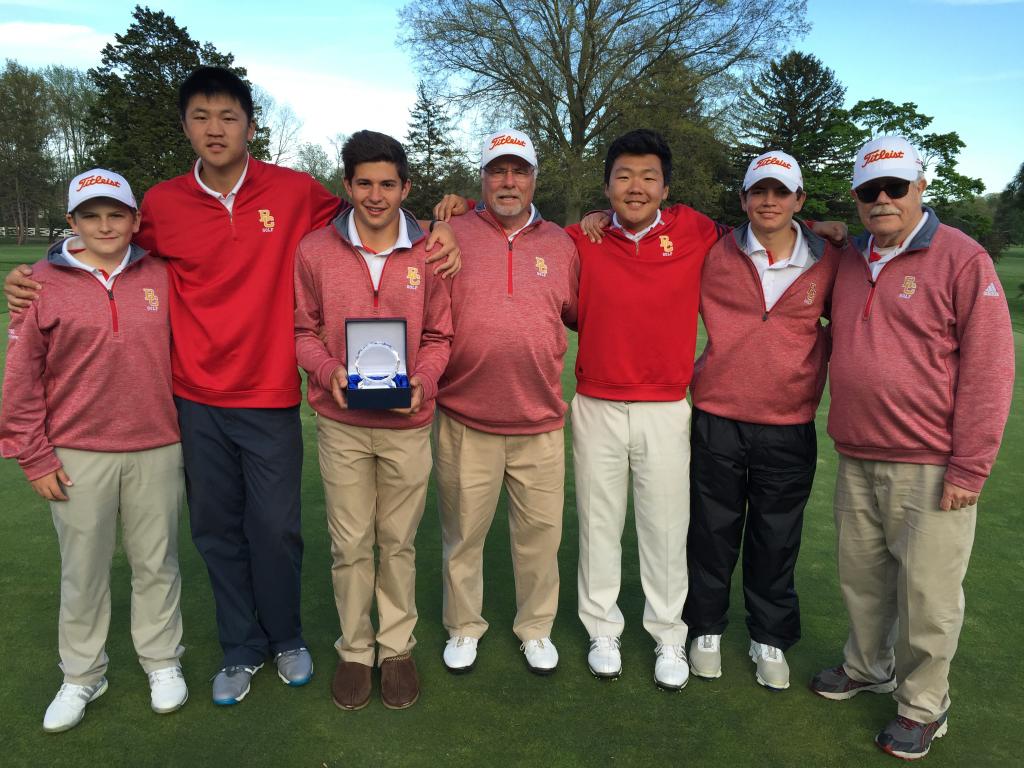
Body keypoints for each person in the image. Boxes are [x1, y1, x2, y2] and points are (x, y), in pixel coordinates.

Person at [3, 66, 461, 706]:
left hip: (271, 394)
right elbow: (107, 238)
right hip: (194, 398)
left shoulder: (295, 191)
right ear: (186, 125)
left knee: (275, 528)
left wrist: (445, 222)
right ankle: (241, 647)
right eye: (200, 117)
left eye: (228, 117)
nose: (214, 129)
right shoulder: (162, 203)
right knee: (217, 530)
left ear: (251, 124)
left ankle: (288, 638)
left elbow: (377, 212)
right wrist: (48, 259)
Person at [810, 136, 1014, 760]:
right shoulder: (848, 257)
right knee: (864, 580)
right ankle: (868, 666)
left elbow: (989, 368)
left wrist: (970, 466)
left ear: (919, 188)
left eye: (894, 187)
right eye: (870, 190)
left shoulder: (962, 257)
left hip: (930, 462)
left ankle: (925, 704)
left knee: (927, 595)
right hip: (857, 452)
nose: (883, 200)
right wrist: (824, 231)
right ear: (857, 197)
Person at [0, 169, 187, 731]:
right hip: (78, 451)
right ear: (72, 222)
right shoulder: (38, 282)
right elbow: (22, 378)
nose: (104, 226)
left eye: (116, 215)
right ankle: (83, 674)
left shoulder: (162, 274)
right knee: (84, 570)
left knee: (157, 562)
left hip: (158, 444)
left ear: (134, 220)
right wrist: (32, 455)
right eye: (91, 216)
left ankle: (161, 661)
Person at [564, 129, 728, 690]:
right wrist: (458, 211)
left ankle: (667, 636)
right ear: (607, 185)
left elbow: (765, 234)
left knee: (664, 527)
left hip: (665, 406)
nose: (636, 187)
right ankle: (602, 628)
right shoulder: (579, 238)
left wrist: (823, 230)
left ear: (666, 188)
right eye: (624, 176)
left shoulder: (698, 231)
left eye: (648, 177)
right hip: (596, 404)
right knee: (598, 522)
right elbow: (516, 232)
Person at [294, 130, 452, 710]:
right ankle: (356, 650)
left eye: (388, 183)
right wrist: (328, 369)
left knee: (398, 540)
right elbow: (302, 331)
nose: (377, 195)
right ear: (348, 186)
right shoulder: (314, 250)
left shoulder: (432, 250)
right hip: (341, 422)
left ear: (405, 187)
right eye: (365, 183)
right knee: (351, 541)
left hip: (408, 423)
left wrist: (424, 380)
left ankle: (397, 647)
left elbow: (439, 335)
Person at [684, 151, 841, 691]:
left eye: (781, 192)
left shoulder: (830, 258)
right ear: (745, 199)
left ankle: (769, 637)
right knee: (711, 531)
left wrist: (832, 230)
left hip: (789, 422)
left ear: (799, 200)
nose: (768, 201)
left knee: (776, 537)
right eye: (758, 192)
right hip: (717, 417)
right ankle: (704, 628)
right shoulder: (714, 250)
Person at [433, 129, 578, 676]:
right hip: (466, 417)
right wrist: (444, 216)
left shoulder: (561, 244)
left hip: (539, 420)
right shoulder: (450, 233)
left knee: (540, 539)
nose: (508, 181)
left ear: (534, 178)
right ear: (483, 179)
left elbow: (578, 313)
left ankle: (535, 628)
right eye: (498, 171)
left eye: (519, 171)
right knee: (462, 536)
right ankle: (463, 626)